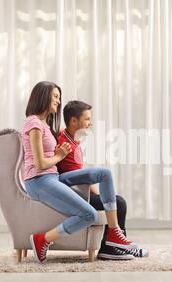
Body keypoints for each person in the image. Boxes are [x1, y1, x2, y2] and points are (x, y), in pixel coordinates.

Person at [21, 81, 138, 264]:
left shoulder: (45, 125)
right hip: (38, 180)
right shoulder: (33, 123)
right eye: (55, 97)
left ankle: (114, 233)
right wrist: (60, 155)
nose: (58, 101)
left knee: (104, 173)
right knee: (89, 215)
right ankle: (42, 240)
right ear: (43, 96)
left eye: (59, 98)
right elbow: (40, 163)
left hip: (53, 177)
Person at [57, 100, 148, 259]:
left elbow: (80, 174)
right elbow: (79, 179)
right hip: (76, 196)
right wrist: (99, 197)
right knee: (118, 203)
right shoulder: (66, 146)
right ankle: (112, 248)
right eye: (87, 119)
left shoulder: (70, 138)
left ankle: (118, 245)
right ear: (73, 121)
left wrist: (100, 195)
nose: (90, 123)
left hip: (81, 191)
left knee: (114, 200)